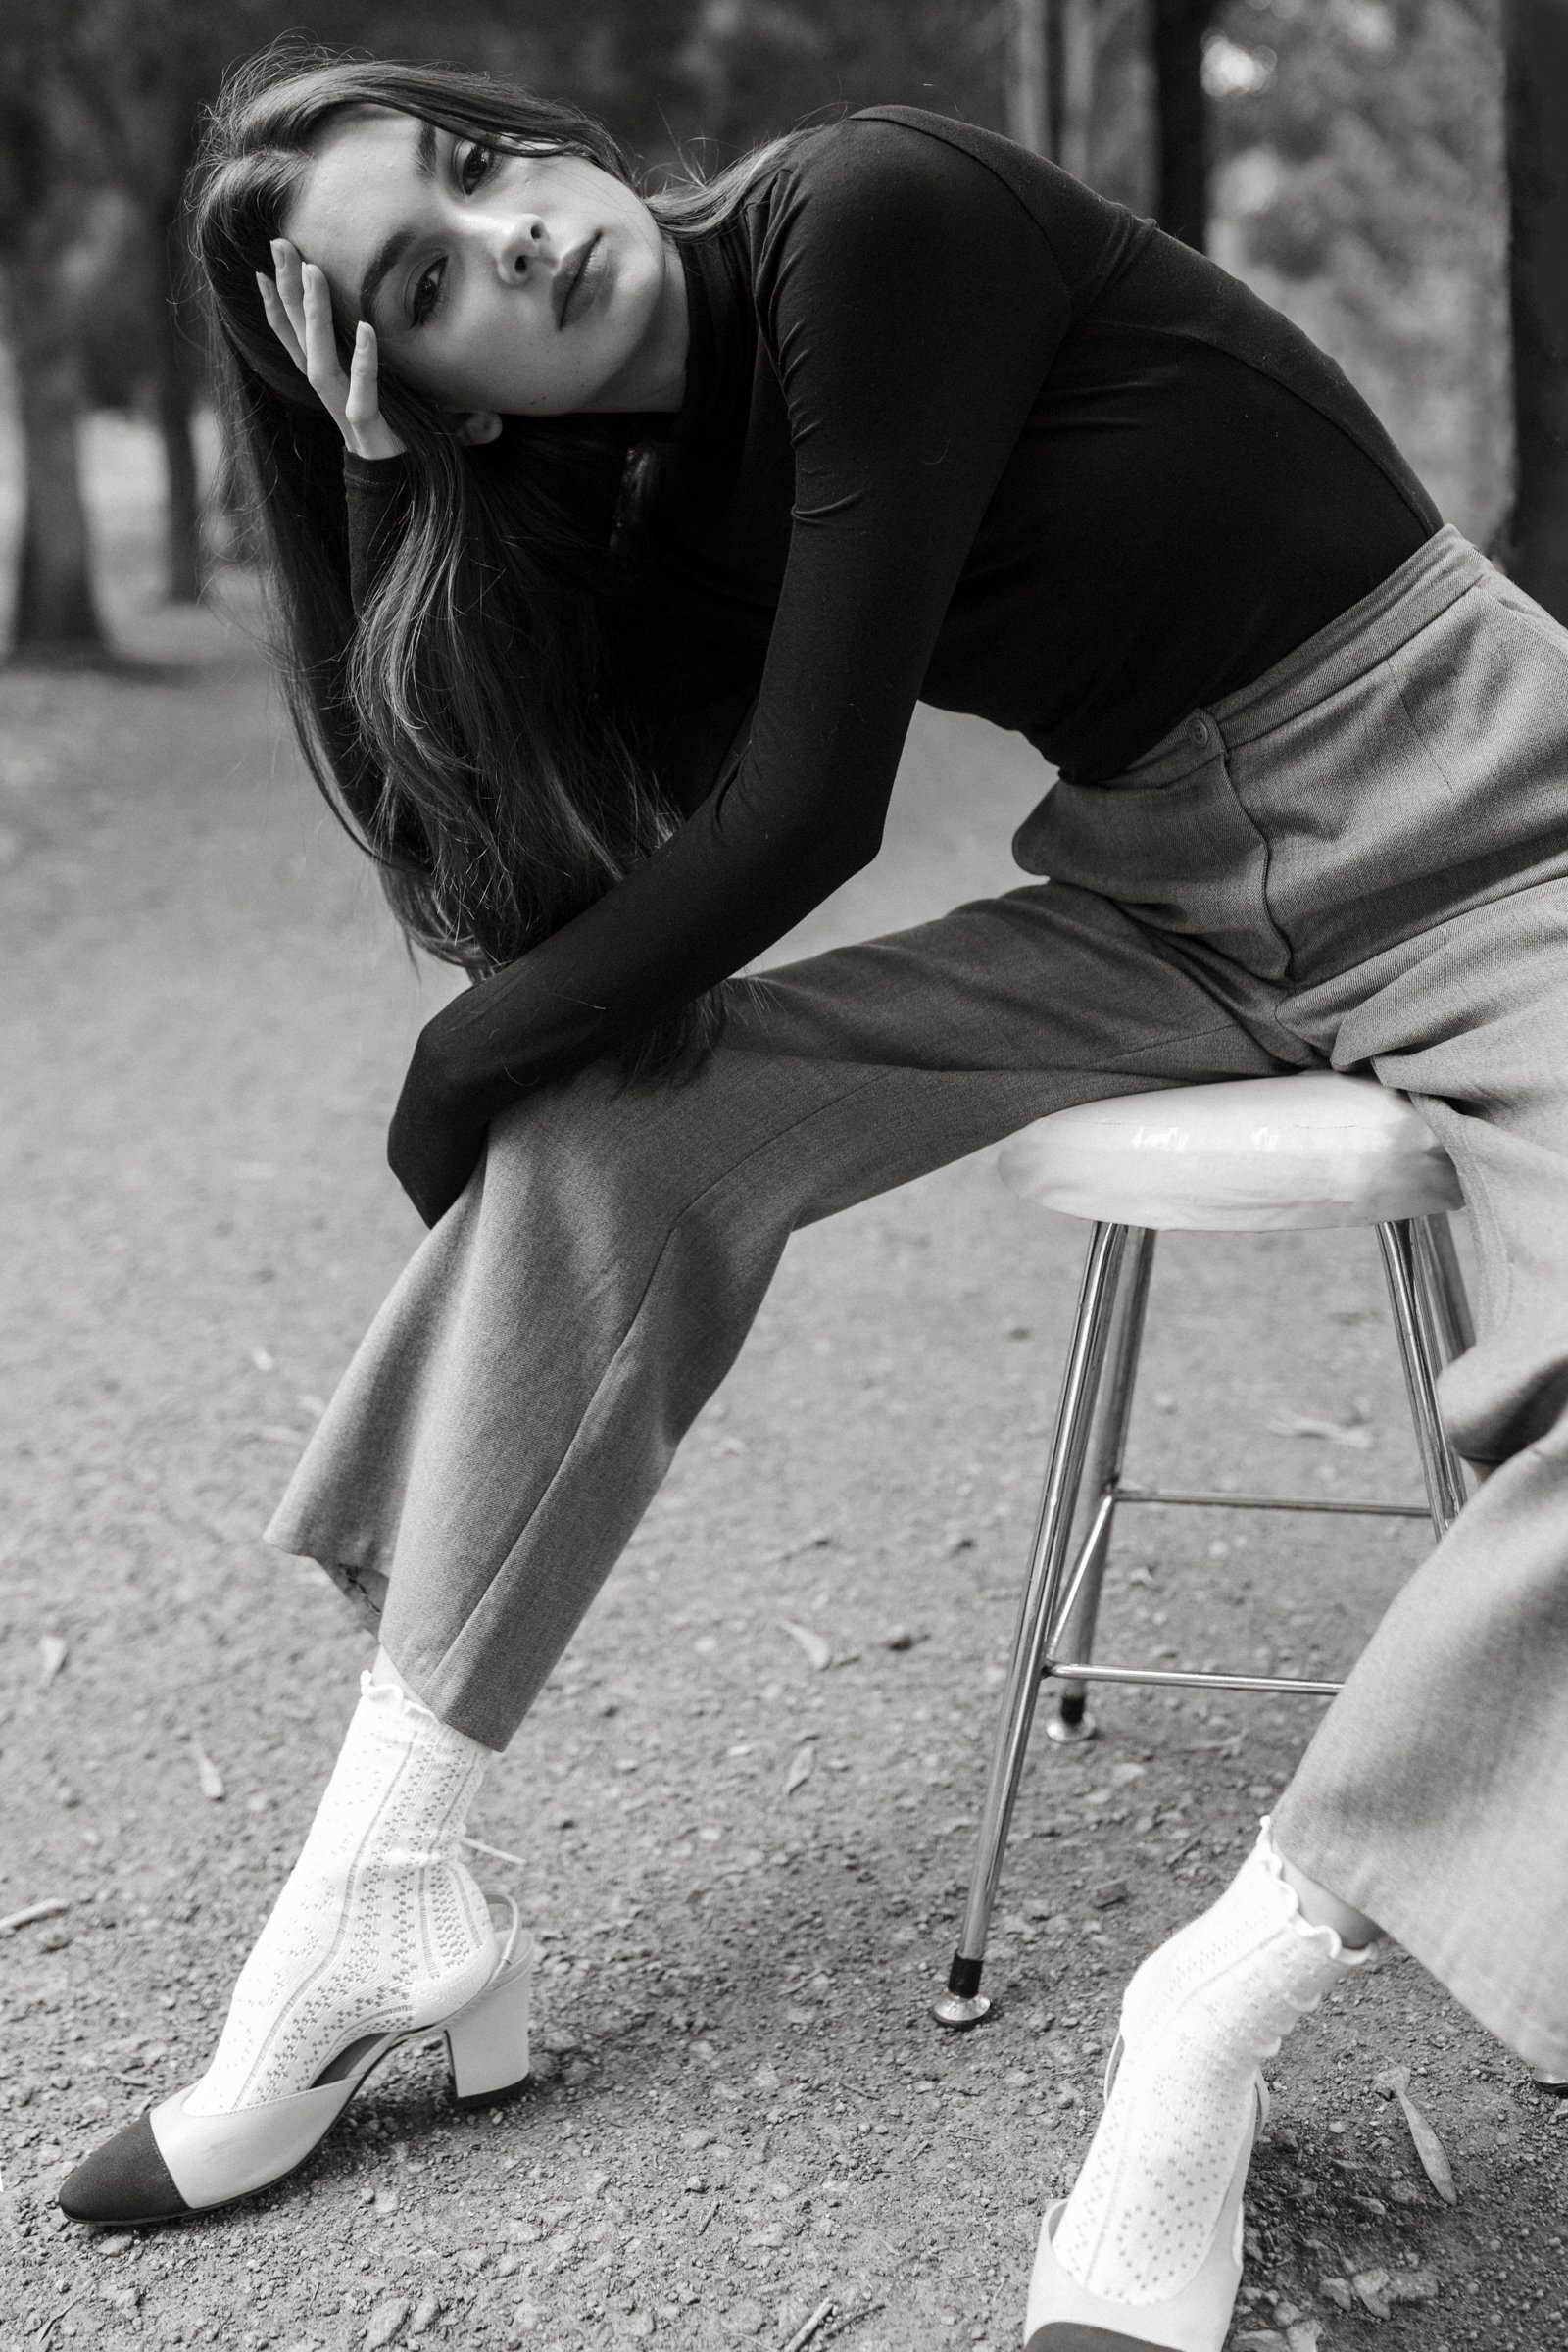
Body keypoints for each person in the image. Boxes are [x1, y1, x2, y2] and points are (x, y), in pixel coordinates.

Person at [61, 40, 1568, 2352]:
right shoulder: (633, 506)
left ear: (533, 124)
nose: (510, 232)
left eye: (473, 165)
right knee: (609, 1122)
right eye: (419, 285)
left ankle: (1214, 2016)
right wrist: (383, 504)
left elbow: (801, 824)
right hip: (1173, 899)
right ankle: (382, 1899)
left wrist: (458, 1064)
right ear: (417, 383)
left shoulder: (865, 220)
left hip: (1497, 846)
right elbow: (505, 900)